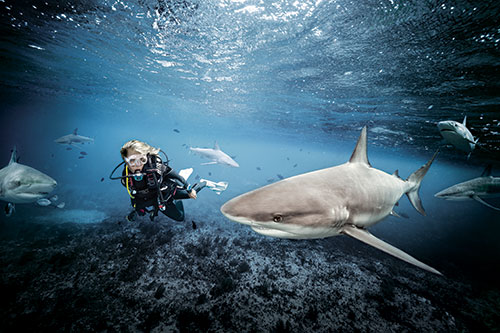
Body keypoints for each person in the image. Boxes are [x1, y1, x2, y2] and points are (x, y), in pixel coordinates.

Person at [119, 140, 205, 222]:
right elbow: (133, 194)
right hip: (159, 200)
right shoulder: (126, 178)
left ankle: (204, 182)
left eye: (142, 159)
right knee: (180, 217)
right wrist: (138, 208)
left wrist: (189, 189)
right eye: (132, 160)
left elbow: (177, 176)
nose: (138, 165)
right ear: (125, 161)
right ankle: (177, 200)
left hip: (169, 190)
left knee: (191, 195)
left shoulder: (156, 167)